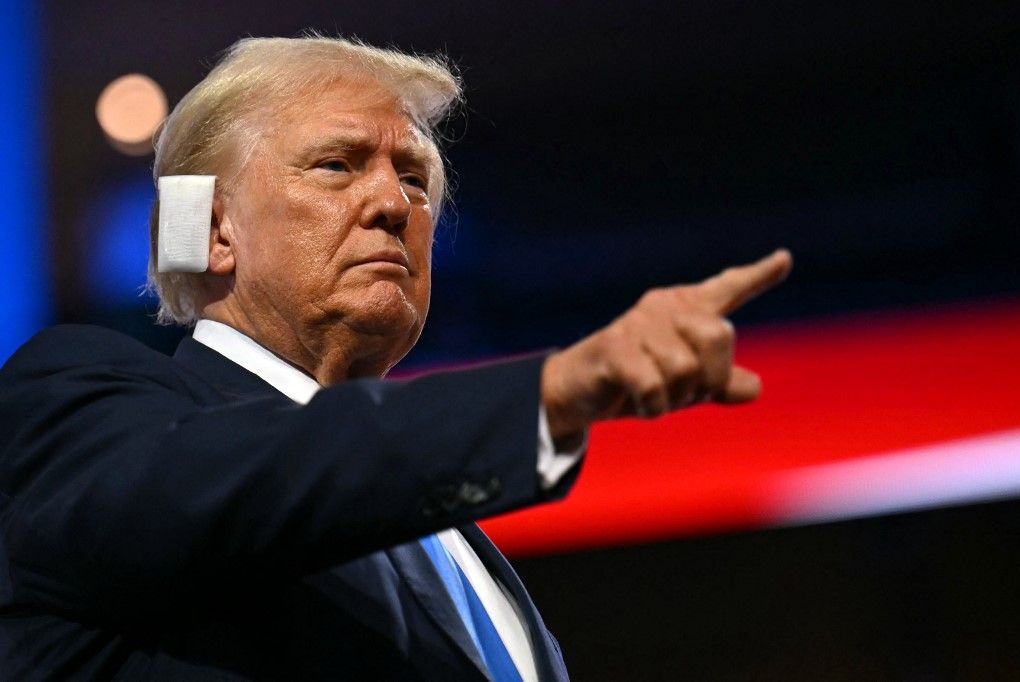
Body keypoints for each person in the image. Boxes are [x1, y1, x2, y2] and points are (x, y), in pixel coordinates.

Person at [0, 35, 792, 680]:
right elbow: (263, 476)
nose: (393, 205)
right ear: (212, 231)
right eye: (337, 165)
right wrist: (547, 393)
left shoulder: (453, 541)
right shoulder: (70, 402)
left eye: (413, 178)